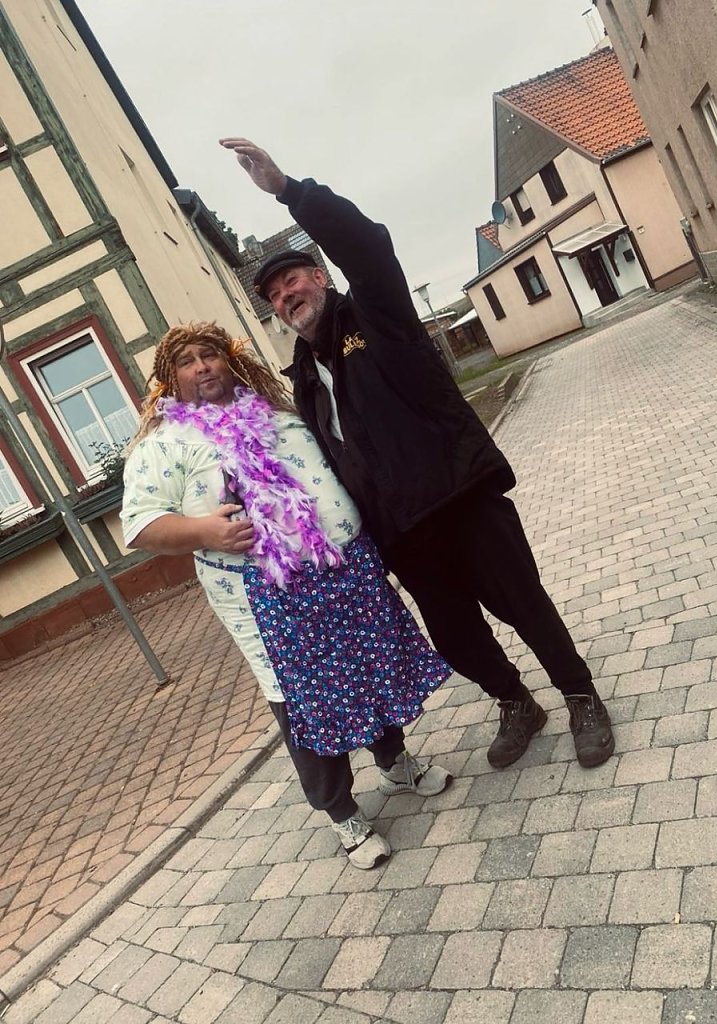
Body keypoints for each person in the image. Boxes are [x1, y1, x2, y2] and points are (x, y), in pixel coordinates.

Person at [219, 137, 616, 772]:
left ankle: (580, 696)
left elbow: (368, 245)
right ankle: (516, 702)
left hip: (458, 497)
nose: (285, 295)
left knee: (523, 605)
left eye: (291, 279)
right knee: (456, 636)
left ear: (320, 277)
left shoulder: (376, 315)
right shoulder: (303, 376)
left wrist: (290, 191)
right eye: (273, 294)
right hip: (400, 532)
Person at [120, 322, 453, 870]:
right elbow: (139, 527)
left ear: (229, 361)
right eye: (187, 361)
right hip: (264, 599)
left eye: (210, 355)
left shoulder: (280, 416)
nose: (202, 366)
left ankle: (394, 765)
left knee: (368, 668)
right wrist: (205, 532)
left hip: (343, 575)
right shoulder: (164, 446)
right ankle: (342, 812)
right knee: (302, 699)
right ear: (170, 381)